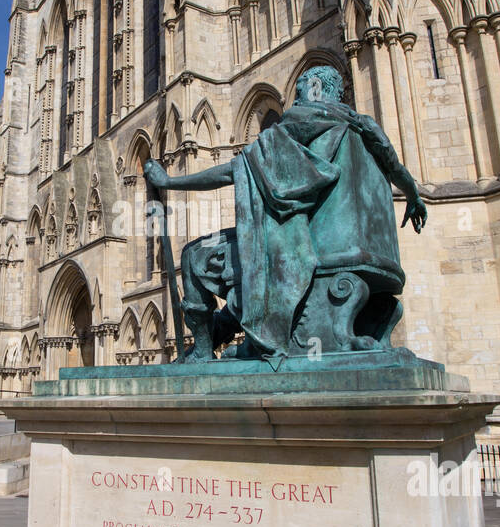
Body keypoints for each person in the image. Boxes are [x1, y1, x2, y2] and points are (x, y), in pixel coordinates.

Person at [144, 65, 427, 366]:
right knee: (248, 267)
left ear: (315, 87)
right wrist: (413, 197)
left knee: (195, 256)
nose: (296, 99)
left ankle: (202, 350)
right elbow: (396, 168)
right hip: (362, 257)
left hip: (308, 247)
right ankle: (230, 333)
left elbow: (235, 169)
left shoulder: (306, 121)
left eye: (301, 89)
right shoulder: (364, 126)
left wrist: (170, 182)